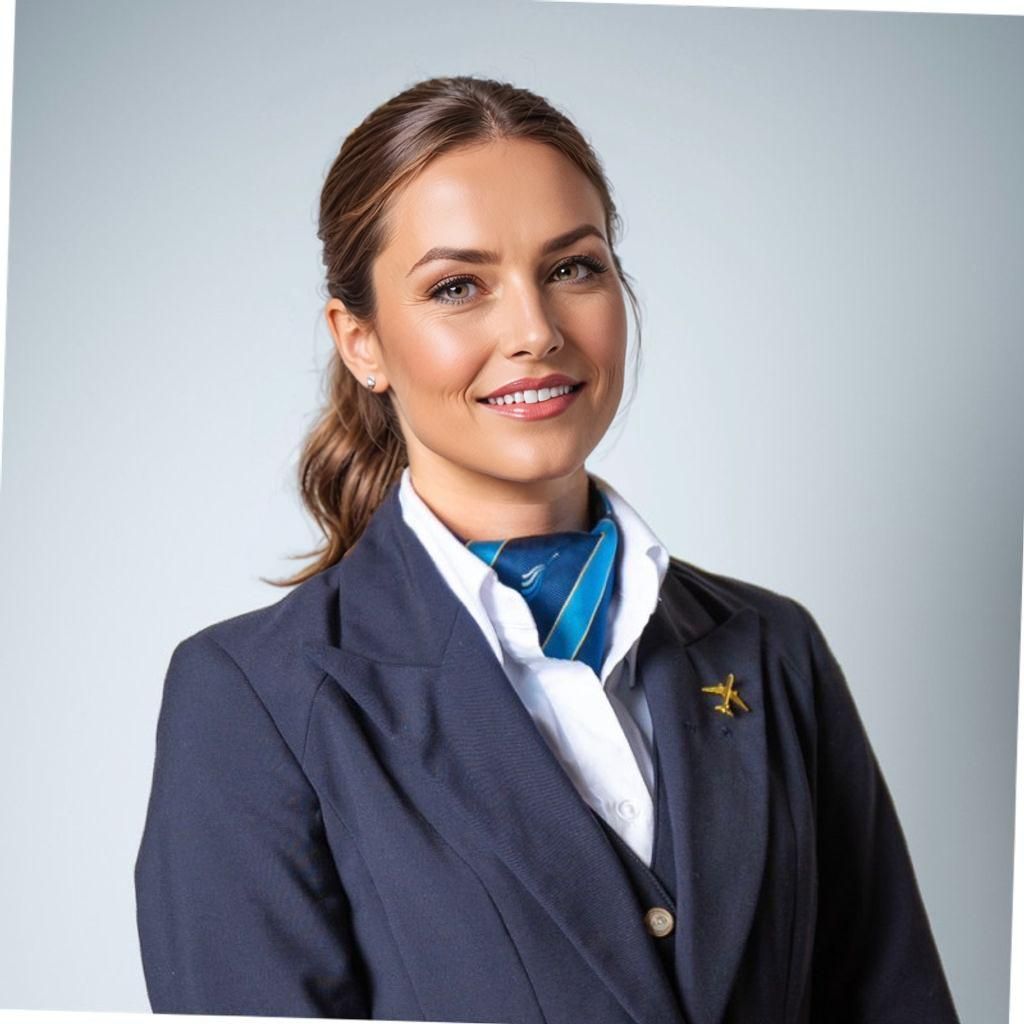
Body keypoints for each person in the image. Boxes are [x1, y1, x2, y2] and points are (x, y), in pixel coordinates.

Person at [133, 75, 960, 1024]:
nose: (535, 331)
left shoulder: (773, 647)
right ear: (360, 341)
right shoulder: (250, 696)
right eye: (457, 287)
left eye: (573, 268)